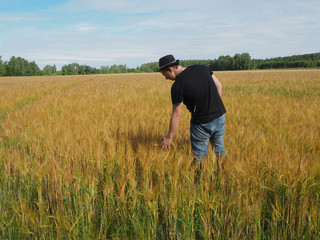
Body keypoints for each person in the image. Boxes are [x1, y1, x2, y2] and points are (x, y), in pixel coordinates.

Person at [159, 54, 226, 170]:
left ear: (170, 69)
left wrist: (169, 138)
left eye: (165, 74)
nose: (166, 78)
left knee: (199, 156)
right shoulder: (201, 68)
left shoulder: (177, 86)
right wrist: (214, 105)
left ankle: (197, 181)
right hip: (220, 115)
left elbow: (177, 113)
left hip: (201, 123)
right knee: (219, 148)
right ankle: (223, 172)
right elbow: (219, 85)